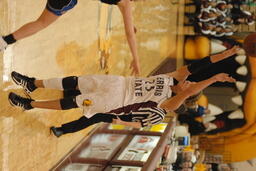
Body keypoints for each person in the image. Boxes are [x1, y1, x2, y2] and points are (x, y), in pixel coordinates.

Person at [8, 46, 240, 137]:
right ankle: (32, 83)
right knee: (74, 81)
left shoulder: (171, 103)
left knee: (74, 102)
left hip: (116, 99)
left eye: (190, 86)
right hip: (119, 82)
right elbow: (201, 63)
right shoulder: (175, 77)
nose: (189, 82)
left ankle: (29, 105)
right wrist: (226, 55)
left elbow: (190, 91)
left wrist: (215, 78)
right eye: (189, 82)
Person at [0, 0, 141, 75]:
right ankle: (5, 41)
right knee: (42, 23)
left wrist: (130, 22)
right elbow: (130, 35)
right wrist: (136, 59)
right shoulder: (126, 3)